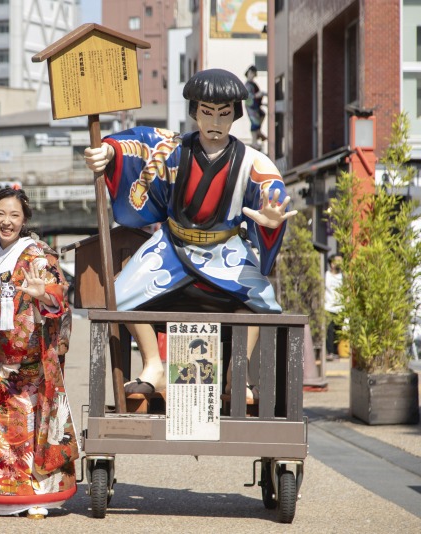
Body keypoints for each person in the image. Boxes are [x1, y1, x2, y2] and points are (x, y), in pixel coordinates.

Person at [84, 68, 296, 401]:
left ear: (236, 115)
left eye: (224, 113)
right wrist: (108, 152)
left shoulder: (254, 162)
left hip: (226, 250)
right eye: (207, 112)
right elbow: (136, 144)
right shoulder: (171, 148)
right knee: (119, 296)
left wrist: (271, 222)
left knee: (260, 305)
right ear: (195, 112)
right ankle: (153, 365)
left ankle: (237, 374)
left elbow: (272, 194)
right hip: (172, 246)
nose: (215, 122)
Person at [0, 187, 78, 519]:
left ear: (25, 219)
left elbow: (58, 295)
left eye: (14, 215)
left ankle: (40, 496)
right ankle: (3, 496)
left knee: (33, 428)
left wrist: (43, 295)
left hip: (33, 358)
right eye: (0, 214)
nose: (6, 221)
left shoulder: (38, 253)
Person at [325, 253, 343, 359]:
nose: (340, 263)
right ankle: (330, 352)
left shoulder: (343, 277)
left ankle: (336, 352)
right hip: (328, 307)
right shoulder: (326, 275)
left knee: (338, 332)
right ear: (332, 264)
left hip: (340, 308)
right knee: (329, 331)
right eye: (337, 261)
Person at [244, 65, 267, 149]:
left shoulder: (253, 84)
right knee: (255, 123)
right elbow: (248, 97)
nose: (252, 75)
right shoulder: (247, 85)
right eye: (251, 73)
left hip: (256, 107)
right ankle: (254, 142)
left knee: (262, 115)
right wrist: (257, 95)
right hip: (251, 107)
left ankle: (258, 132)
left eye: (253, 73)